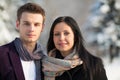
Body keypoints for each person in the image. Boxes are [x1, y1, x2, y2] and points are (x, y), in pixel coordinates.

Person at [0, 3, 45, 80]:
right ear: (17, 24)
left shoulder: (45, 60)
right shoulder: (2, 54)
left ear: (42, 28)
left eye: (36, 24)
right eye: (26, 24)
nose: (31, 29)